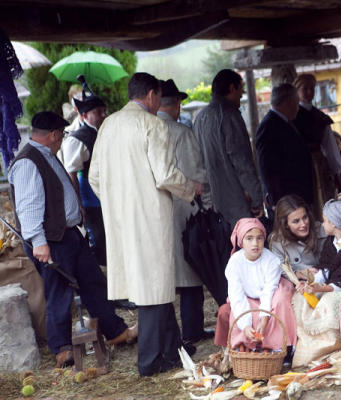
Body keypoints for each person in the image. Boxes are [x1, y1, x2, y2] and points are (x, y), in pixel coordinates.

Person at [89, 72, 203, 376]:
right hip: (150, 217)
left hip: (120, 219)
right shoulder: (152, 124)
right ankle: (150, 361)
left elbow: (94, 178)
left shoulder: (108, 124)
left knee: (154, 284)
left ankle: (172, 349)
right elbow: (165, 174)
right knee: (153, 286)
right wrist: (191, 187)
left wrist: (117, 202)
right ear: (152, 95)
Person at [8, 111, 136, 368]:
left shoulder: (46, 155)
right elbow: (28, 206)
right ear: (54, 134)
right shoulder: (28, 161)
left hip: (69, 236)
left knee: (94, 282)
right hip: (52, 240)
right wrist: (39, 242)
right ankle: (62, 349)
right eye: (62, 135)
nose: (62, 139)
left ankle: (115, 331)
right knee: (58, 294)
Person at [157, 79, 214, 350]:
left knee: (164, 275)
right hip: (184, 209)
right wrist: (209, 204)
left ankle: (169, 332)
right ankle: (191, 328)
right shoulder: (180, 132)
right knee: (191, 270)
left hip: (156, 212)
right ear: (177, 104)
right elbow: (197, 176)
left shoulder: (147, 130)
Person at [291, 199, 341, 367]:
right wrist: (311, 283)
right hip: (328, 284)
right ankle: (308, 347)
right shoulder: (330, 243)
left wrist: (322, 288)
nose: (322, 225)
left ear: (333, 223)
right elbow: (325, 268)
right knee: (300, 298)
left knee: (327, 301)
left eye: (325, 221)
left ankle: (330, 346)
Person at [217, 218, 297, 362]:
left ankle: (280, 348)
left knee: (280, 301)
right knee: (238, 312)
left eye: (259, 238)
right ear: (241, 241)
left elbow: (269, 290)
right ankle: (247, 350)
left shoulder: (271, 260)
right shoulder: (235, 263)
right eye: (249, 238)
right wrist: (245, 325)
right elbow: (237, 295)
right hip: (247, 296)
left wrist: (264, 317)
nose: (255, 243)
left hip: (270, 295)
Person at [193, 69, 264, 229]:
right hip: (236, 202)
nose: (241, 95)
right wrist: (256, 197)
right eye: (241, 90)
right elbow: (242, 162)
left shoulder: (200, 117)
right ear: (232, 88)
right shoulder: (229, 115)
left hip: (210, 201)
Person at [60, 92, 108, 266]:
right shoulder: (77, 140)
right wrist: (78, 204)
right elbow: (71, 172)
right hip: (90, 199)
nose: (103, 115)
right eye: (98, 112)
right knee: (99, 239)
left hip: (106, 197)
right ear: (85, 115)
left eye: (104, 111)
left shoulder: (104, 132)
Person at [292, 74, 341, 214]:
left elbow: (330, 146)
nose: (309, 92)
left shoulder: (321, 118)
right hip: (300, 164)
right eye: (305, 88)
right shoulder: (291, 117)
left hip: (320, 163)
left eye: (312, 88)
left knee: (325, 198)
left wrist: (336, 171)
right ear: (297, 90)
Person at [256, 83, 313, 208]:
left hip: (297, 195)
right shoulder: (269, 127)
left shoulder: (285, 122)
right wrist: (276, 201)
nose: (298, 108)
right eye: (297, 103)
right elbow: (267, 168)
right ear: (288, 102)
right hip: (285, 199)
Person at [269, 194, 328, 273]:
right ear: (285, 224)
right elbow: (279, 271)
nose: (303, 224)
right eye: (296, 221)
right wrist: (298, 274)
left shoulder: (323, 229)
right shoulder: (277, 243)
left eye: (305, 217)